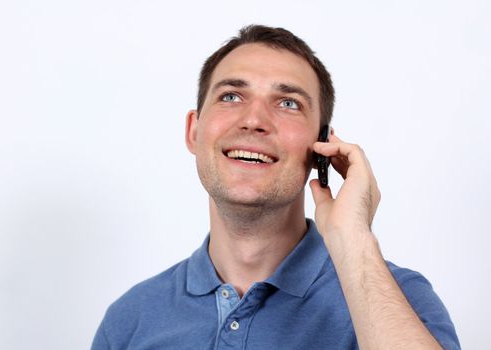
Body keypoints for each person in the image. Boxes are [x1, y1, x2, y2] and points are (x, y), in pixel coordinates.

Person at [92, 25, 460, 349]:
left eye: (288, 103)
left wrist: (353, 241)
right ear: (194, 130)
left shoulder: (397, 298)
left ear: (323, 147)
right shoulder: (130, 320)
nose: (254, 120)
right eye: (231, 96)